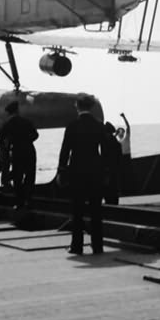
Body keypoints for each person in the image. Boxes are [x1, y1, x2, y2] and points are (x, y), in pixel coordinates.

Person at [57, 94, 107, 255]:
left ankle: (77, 246)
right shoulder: (99, 125)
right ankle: (97, 246)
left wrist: (61, 170)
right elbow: (105, 151)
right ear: (91, 107)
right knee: (96, 211)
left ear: (77, 106)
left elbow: (65, 151)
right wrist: (106, 172)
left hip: (77, 171)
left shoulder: (72, 126)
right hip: (95, 171)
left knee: (77, 211)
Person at [0, 101, 38, 209]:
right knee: (30, 177)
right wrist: (26, 141)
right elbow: (35, 135)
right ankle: (29, 200)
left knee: (17, 178)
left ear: (9, 113)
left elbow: (0, 139)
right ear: (17, 110)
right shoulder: (27, 121)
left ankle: (20, 202)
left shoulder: (8, 124)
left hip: (17, 153)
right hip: (30, 151)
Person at [101, 121, 123, 205]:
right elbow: (119, 161)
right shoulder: (117, 144)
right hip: (115, 174)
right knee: (114, 196)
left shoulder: (104, 144)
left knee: (108, 195)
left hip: (107, 173)